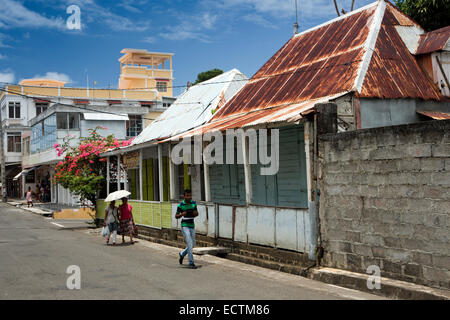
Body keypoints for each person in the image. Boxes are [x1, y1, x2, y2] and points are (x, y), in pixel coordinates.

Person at [175, 189, 199, 269]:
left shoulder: (193, 203)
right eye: (187, 195)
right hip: (184, 225)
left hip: (192, 225)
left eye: (190, 195)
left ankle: (182, 254)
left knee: (193, 244)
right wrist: (182, 214)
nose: (189, 197)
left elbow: (196, 213)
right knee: (189, 242)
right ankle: (191, 262)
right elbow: (176, 216)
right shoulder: (181, 205)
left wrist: (195, 214)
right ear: (184, 196)